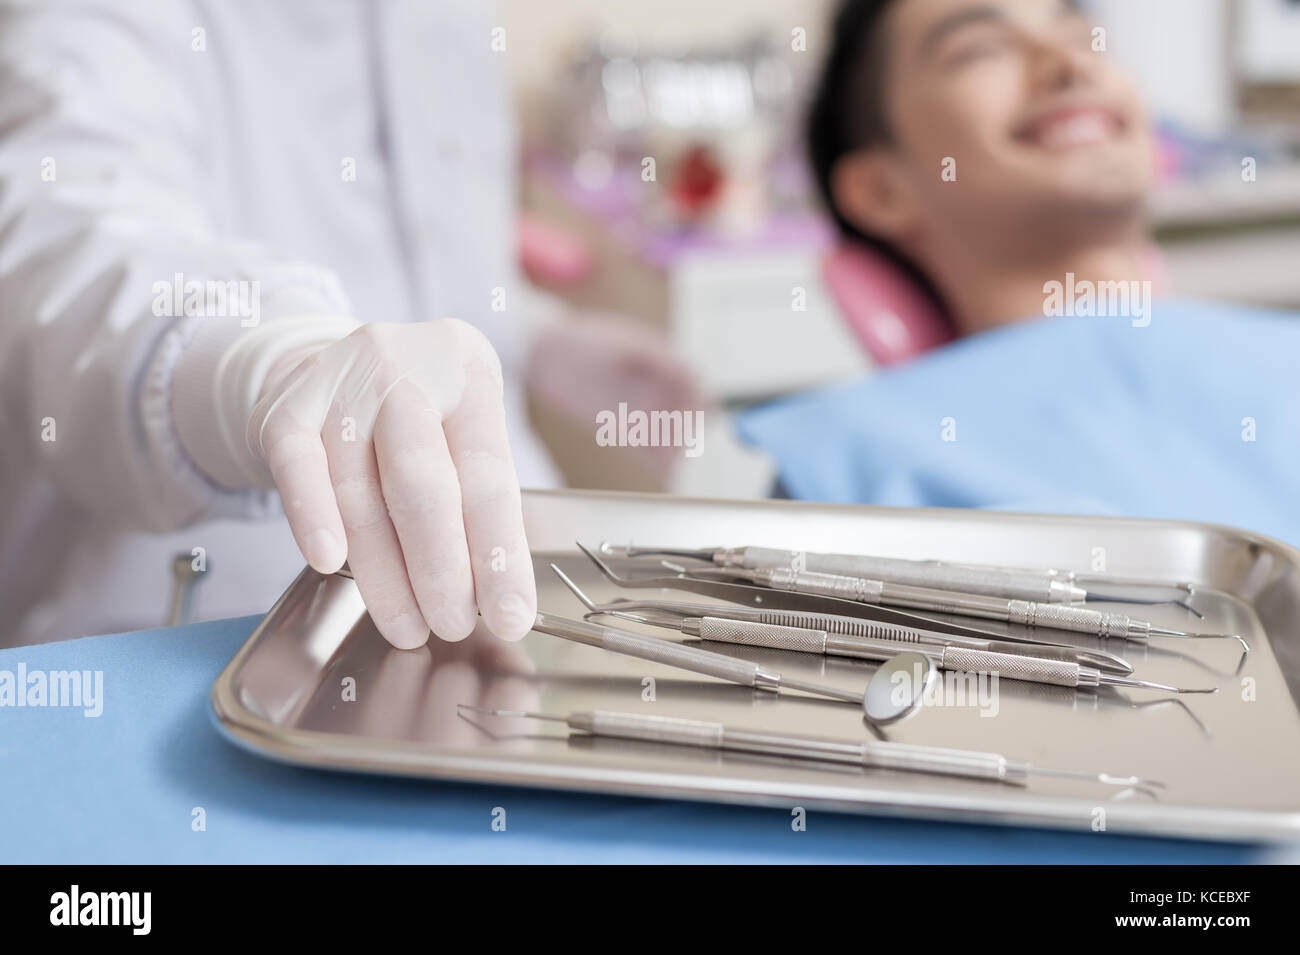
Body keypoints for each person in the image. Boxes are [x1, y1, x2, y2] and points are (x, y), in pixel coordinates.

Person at [0, 1, 696, 648]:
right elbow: (72, 246)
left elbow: (407, 247)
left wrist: (534, 336)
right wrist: (272, 361)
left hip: (492, 597)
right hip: (202, 619)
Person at [738, 0, 1300, 542]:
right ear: (882, 190)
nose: (1071, 64)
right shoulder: (850, 468)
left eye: (1084, 38)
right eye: (982, 49)